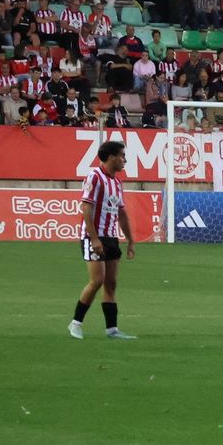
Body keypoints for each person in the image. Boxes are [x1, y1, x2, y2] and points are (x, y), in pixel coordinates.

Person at [70, 140, 137, 340]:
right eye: (122, 156)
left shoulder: (117, 183)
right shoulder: (95, 177)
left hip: (111, 237)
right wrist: (94, 238)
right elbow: (86, 208)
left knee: (111, 283)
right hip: (94, 237)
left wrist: (130, 240)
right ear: (111, 157)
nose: (124, 160)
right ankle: (76, 323)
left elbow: (121, 213)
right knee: (97, 280)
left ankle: (112, 329)